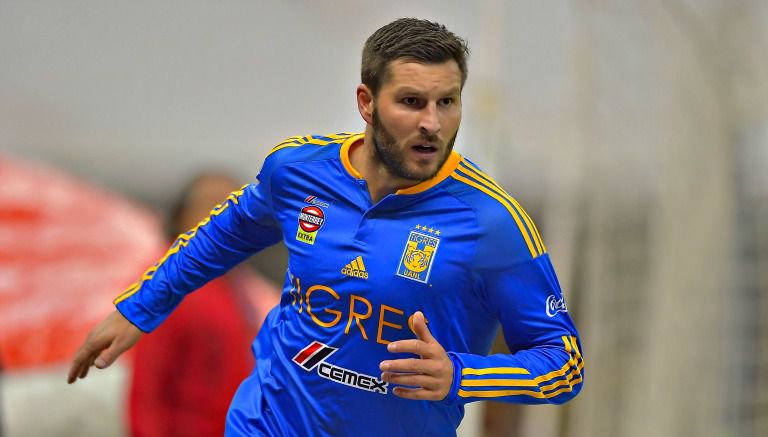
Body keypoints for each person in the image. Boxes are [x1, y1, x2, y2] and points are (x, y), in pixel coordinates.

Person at [69, 18, 584, 436]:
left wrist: (461, 374)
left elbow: (563, 364)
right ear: (366, 103)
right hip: (268, 422)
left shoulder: (493, 221)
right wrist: (139, 308)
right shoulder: (297, 171)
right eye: (411, 102)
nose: (432, 122)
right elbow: (221, 236)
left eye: (447, 102)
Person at [127, 171, 279, 437]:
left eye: (236, 205)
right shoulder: (171, 284)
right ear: (181, 218)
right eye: (212, 204)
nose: (225, 216)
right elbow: (148, 390)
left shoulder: (235, 284)